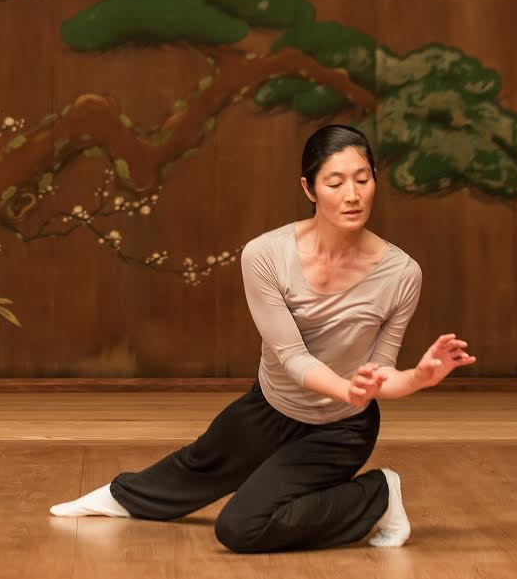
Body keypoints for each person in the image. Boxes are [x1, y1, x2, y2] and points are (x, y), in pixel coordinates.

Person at [49, 124, 476, 552]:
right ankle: (120, 497)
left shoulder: (402, 273)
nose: (353, 194)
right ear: (309, 189)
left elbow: (381, 371)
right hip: (272, 405)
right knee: (198, 465)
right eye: (336, 181)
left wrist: (419, 376)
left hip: (341, 429)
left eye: (363, 180)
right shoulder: (266, 255)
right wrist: (347, 387)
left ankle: (379, 494)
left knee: (242, 525)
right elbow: (291, 357)